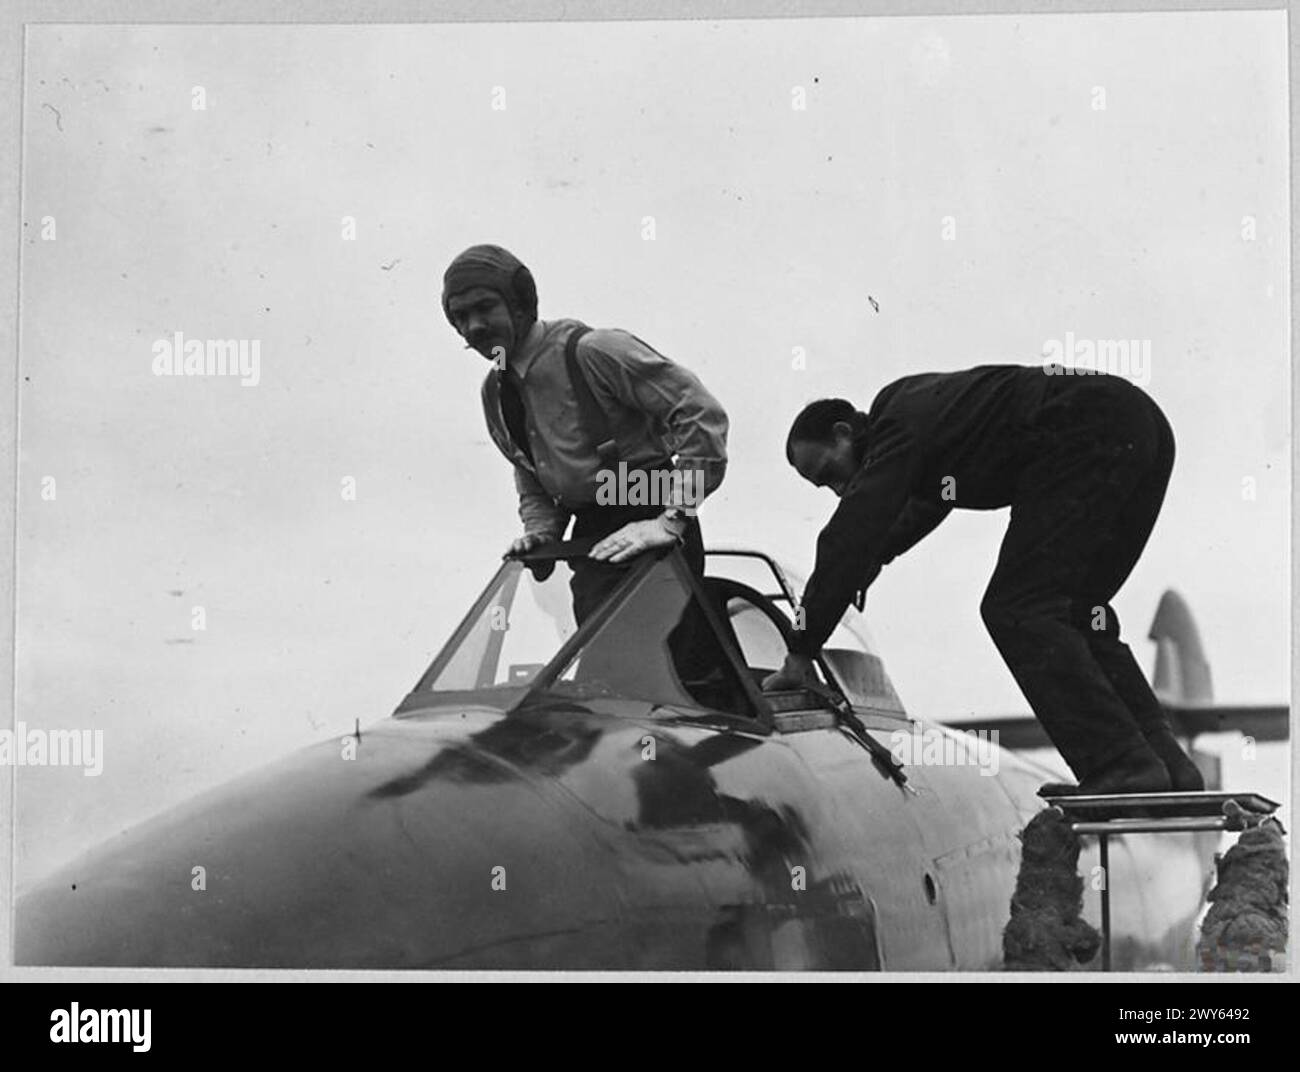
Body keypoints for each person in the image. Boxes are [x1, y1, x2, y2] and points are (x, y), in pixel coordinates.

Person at [762, 364, 1204, 795]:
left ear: (844, 433)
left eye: (830, 474)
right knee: (1078, 610)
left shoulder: (895, 421)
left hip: (1085, 426)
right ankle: (1165, 763)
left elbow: (849, 532)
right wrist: (870, 561)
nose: (838, 490)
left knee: (1018, 609)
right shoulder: (923, 422)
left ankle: (1120, 763)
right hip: (1136, 426)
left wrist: (800, 650)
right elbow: (927, 504)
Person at [440, 243, 729, 624]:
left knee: (667, 661)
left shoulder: (595, 351)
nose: (473, 326)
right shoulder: (494, 393)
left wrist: (671, 519)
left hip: (649, 506)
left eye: (484, 307)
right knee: (601, 669)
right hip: (589, 533)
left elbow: (700, 413)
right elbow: (530, 470)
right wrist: (542, 532)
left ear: (520, 303)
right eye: (460, 316)